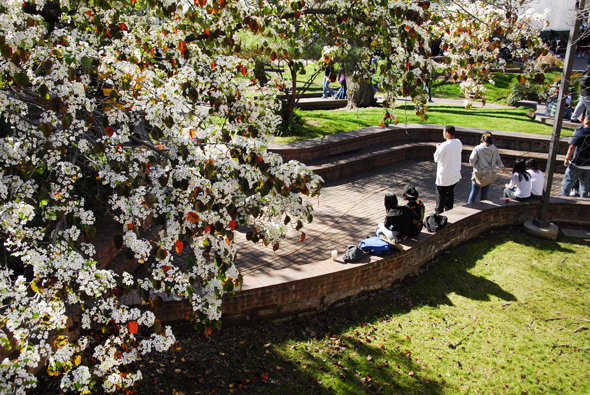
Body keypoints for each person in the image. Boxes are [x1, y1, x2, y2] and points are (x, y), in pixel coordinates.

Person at [468, 132, 507, 204]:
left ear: (482, 138)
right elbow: (498, 160)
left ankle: (470, 208)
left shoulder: (478, 148)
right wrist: (503, 168)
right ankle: (483, 207)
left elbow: (472, 161)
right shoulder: (494, 149)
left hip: (478, 174)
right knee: (485, 193)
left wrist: (474, 164)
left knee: (474, 193)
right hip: (489, 174)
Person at [434, 125, 462, 214]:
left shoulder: (444, 146)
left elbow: (436, 158)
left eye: (443, 132)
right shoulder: (458, 142)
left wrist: (438, 149)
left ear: (447, 133)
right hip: (454, 175)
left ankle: (439, 213)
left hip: (444, 175)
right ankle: (449, 211)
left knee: (441, 196)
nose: (443, 134)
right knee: (450, 194)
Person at [561, 116, 590, 197]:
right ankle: (584, 201)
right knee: (585, 183)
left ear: (586, 122)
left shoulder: (581, 132)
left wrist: (567, 158)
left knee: (568, 180)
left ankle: (564, 198)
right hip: (588, 165)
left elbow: (572, 146)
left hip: (577, 162)